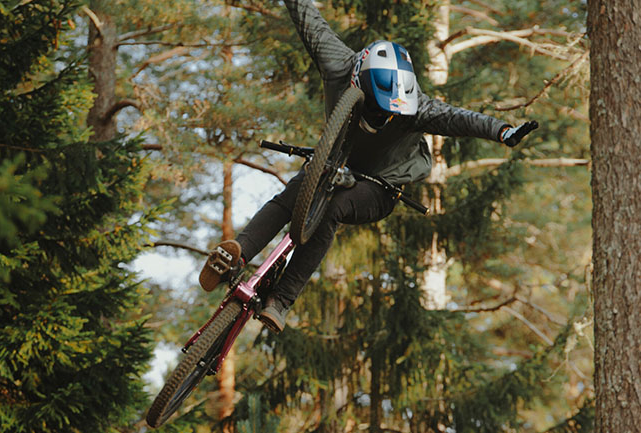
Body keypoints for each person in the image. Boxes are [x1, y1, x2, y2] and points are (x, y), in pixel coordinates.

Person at [199, 0, 538, 333]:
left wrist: (502, 131)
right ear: (358, 80)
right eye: (379, 109)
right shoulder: (338, 64)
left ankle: (281, 301)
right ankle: (237, 254)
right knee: (293, 194)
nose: (384, 118)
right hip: (329, 165)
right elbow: (308, 18)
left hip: (378, 185)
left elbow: (461, 119)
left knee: (331, 208)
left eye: (392, 113)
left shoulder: (419, 107)